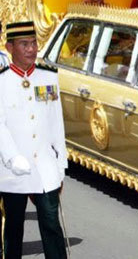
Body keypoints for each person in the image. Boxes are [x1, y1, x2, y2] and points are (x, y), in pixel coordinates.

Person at [0, 21, 68, 259]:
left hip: (45, 167)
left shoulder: (48, 77)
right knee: (13, 228)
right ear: (10, 48)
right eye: (24, 44)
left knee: (51, 224)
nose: (31, 49)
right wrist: (12, 157)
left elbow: (56, 123)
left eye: (34, 43)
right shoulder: (2, 82)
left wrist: (61, 164)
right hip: (12, 171)